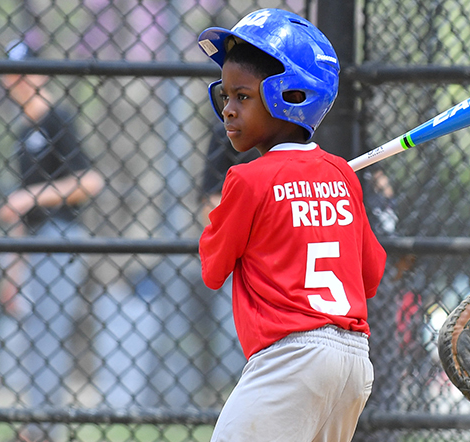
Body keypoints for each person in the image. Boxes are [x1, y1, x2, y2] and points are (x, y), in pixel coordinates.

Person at [195, 8, 387, 441]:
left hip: (290, 359)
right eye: (225, 96)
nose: (228, 110)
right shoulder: (339, 174)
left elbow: (212, 268)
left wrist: (227, 210)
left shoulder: (246, 179)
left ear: (291, 95)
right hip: (354, 360)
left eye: (242, 97)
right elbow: (370, 277)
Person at [0, 38, 106, 442]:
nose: (16, 81)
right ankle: (39, 423)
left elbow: (88, 180)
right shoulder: (23, 132)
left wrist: (30, 196)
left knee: (49, 330)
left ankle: (44, 427)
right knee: (32, 331)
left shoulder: (57, 119)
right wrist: (13, 269)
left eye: (23, 73)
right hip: (35, 241)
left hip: (61, 234)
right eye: (12, 75)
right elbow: (24, 218)